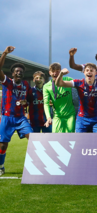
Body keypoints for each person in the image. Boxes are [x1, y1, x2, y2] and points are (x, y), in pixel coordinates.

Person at [0, 46, 33, 176]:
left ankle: (37, 166)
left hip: (20, 118)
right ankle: (1, 167)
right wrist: (5, 53)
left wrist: (26, 102)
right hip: (7, 117)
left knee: (33, 138)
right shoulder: (7, 82)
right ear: (12, 73)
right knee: (3, 145)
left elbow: (29, 100)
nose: (19, 72)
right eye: (16, 71)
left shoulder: (26, 85)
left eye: (20, 71)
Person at [69, 48, 97, 131]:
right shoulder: (90, 69)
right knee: (88, 130)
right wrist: (71, 56)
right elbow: (73, 66)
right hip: (91, 106)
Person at [55, 64, 97, 133]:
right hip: (82, 118)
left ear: (95, 73)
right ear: (84, 72)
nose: (89, 72)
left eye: (91, 70)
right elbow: (59, 84)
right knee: (79, 141)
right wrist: (61, 74)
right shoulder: (79, 82)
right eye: (87, 70)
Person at [43, 63, 76, 133]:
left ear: (61, 71)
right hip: (57, 116)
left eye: (57, 71)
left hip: (70, 115)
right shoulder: (46, 86)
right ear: (50, 73)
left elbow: (80, 88)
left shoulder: (68, 79)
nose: (55, 73)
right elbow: (46, 103)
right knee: (56, 138)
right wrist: (48, 117)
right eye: (53, 71)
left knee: (69, 138)